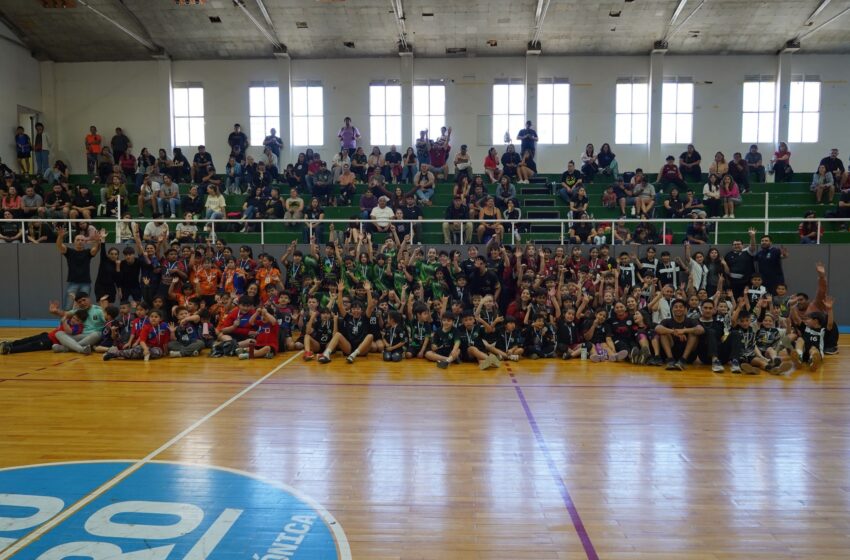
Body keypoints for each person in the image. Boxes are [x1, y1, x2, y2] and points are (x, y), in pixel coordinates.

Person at [655, 298, 704, 370]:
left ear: (685, 309)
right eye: (676, 307)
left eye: (681, 307)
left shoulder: (691, 321)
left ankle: (682, 361)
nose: (678, 309)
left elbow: (701, 330)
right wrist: (673, 332)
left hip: (688, 355)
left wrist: (684, 330)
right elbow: (657, 328)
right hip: (672, 351)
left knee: (694, 333)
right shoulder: (667, 321)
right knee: (663, 333)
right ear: (672, 309)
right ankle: (670, 360)